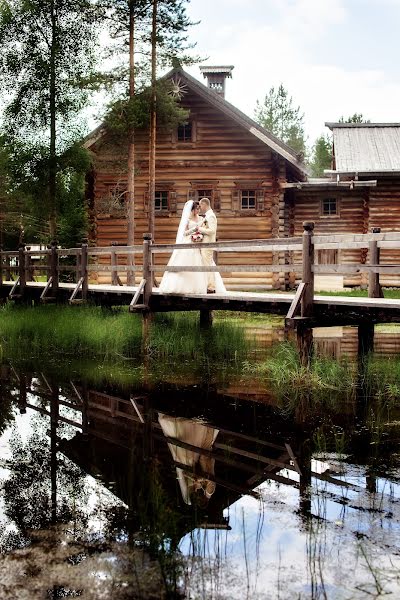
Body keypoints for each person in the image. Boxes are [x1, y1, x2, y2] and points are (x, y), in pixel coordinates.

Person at [159, 199, 225, 295]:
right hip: (190, 242)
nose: (198, 210)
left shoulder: (203, 218)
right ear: (192, 210)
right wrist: (193, 231)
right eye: (197, 209)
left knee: (204, 263)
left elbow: (207, 229)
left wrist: (199, 233)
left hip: (200, 244)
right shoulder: (187, 219)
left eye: (199, 208)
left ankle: (209, 286)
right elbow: (184, 233)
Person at [158, 413, 219, 506]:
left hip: (201, 458)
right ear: (204, 500)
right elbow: (210, 479)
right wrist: (199, 479)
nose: (198, 497)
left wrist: (193, 479)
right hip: (206, 460)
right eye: (200, 500)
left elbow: (190, 476)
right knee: (207, 438)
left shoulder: (199, 488)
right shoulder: (210, 492)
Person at [198, 197, 218, 293]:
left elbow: (212, 230)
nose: (200, 207)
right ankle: (209, 285)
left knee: (208, 265)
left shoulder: (211, 216)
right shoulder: (207, 216)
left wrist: (200, 229)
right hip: (205, 244)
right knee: (206, 265)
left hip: (208, 244)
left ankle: (211, 287)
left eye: (201, 205)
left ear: (205, 204)